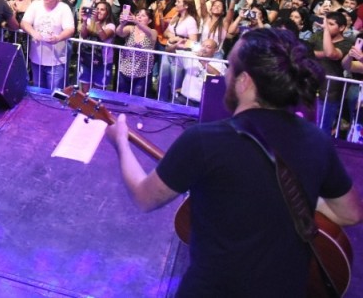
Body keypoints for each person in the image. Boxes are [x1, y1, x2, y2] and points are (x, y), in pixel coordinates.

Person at [105, 28, 361, 297]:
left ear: (244, 82)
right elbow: (350, 213)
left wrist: (121, 142)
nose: (226, 75)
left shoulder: (204, 140)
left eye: (230, 67)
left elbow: (144, 197)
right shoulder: (316, 140)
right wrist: (303, 194)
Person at [20, 0, 75, 90]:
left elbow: (70, 29)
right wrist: (33, 32)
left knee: (55, 93)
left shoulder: (64, 8)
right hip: (37, 58)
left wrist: (58, 38)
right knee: (38, 91)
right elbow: (24, 23)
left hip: (57, 61)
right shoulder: (35, 4)